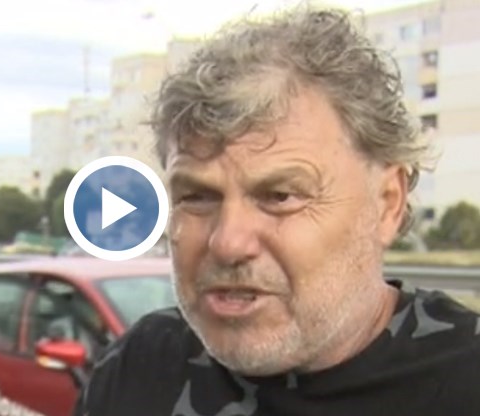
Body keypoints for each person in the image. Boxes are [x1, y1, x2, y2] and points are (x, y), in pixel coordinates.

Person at [73, 6, 480, 416]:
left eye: (280, 196)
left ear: (387, 204)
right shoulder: (138, 369)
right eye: (196, 197)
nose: (228, 242)